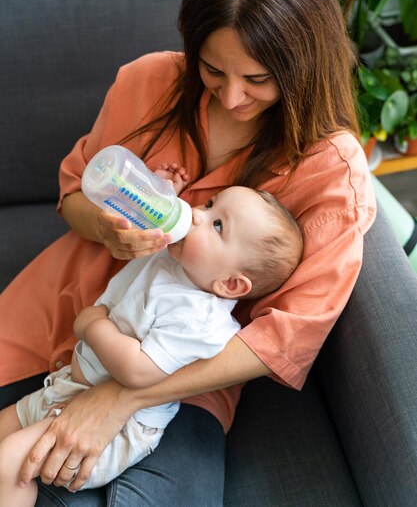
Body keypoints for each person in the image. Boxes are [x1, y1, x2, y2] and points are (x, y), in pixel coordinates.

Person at [0, 0, 376, 505]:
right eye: (212, 70)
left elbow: (282, 338)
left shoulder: (332, 175)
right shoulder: (149, 81)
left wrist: (125, 397)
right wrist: (106, 229)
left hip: (183, 372)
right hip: (63, 308)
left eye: (258, 80)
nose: (230, 99)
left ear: (305, 65)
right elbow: (74, 189)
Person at [0, 172, 303, 503]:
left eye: (217, 225)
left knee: (11, 464)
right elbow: (144, 230)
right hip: (70, 386)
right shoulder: (180, 262)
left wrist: (92, 326)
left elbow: (139, 371)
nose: (198, 214)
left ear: (231, 284)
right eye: (209, 203)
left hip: (119, 427)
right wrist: (158, 197)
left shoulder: (199, 319)